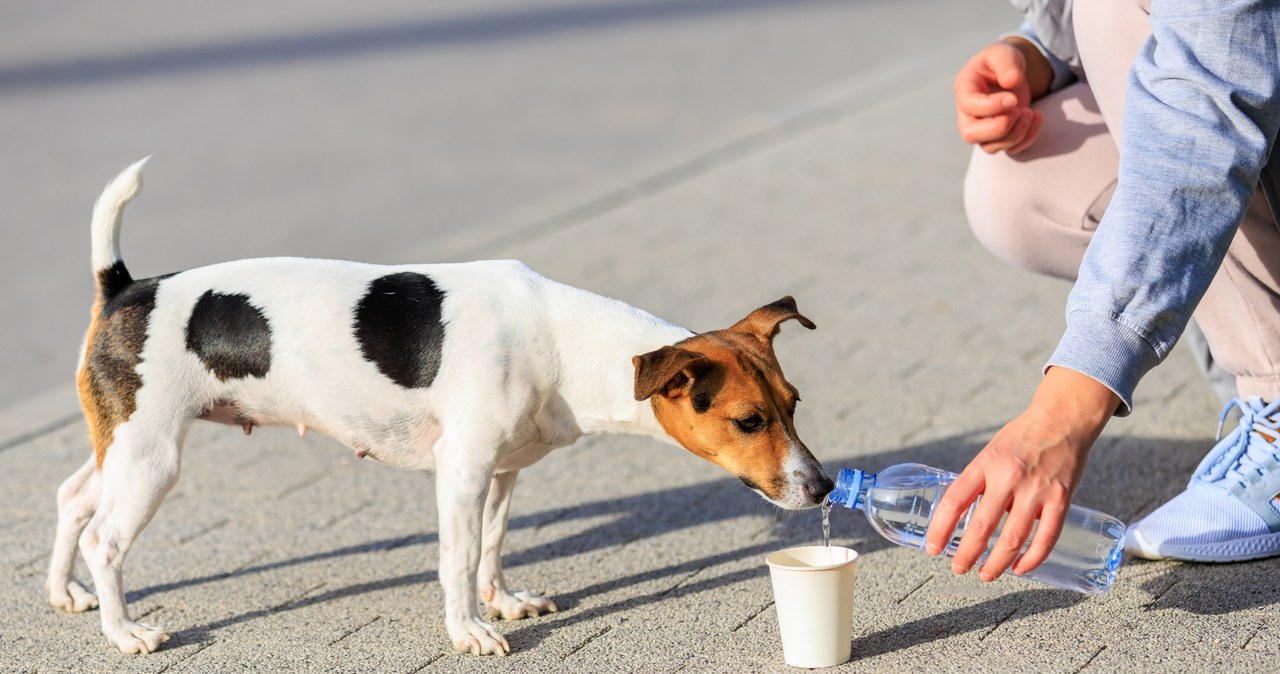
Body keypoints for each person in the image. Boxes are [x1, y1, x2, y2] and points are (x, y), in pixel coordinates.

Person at [924, 0, 1280, 582]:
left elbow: (1206, 111)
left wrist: (1064, 411)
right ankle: (1257, 363)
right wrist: (1039, 51)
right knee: (1017, 185)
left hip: (1219, 89)